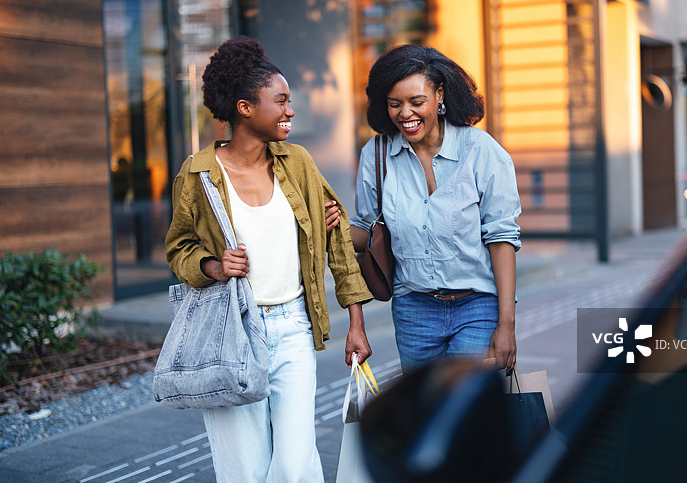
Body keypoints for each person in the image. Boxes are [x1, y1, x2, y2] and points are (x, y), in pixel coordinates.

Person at [164, 35, 372, 483]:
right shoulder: (199, 174)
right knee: (246, 468)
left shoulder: (297, 162)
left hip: (293, 328)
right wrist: (212, 266)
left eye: (289, 101)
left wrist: (355, 323)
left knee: (297, 467)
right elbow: (178, 246)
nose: (290, 110)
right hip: (231, 332)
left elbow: (337, 244)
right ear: (244, 108)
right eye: (280, 101)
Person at [351, 44, 521, 374]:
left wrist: (507, 324)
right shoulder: (377, 154)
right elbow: (365, 227)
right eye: (394, 104)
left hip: (477, 306)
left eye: (417, 102)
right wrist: (330, 225)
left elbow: (502, 238)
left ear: (440, 95)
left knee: (466, 416)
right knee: (424, 417)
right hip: (412, 310)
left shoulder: (480, 151)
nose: (405, 114)